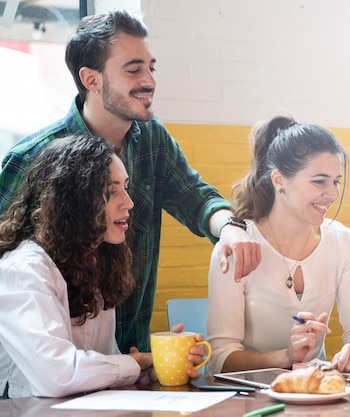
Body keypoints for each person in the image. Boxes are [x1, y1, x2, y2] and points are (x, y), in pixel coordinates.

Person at [0, 10, 260, 353]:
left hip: (131, 361)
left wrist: (229, 226)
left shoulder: (152, 139)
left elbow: (195, 197)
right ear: (91, 80)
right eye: (133, 69)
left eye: (151, 67)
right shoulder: (32, 157)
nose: (149, 80)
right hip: (48, 374)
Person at [0, 135, 205, 399]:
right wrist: (135, 364)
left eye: (126, 187)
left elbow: (102, 367)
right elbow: (59, 376)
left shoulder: (96, 261)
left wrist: (153, 369)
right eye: (111, 192)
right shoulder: (24, 269)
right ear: (72, 202)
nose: (129, 203)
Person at [207, 116, 350, 375]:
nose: (332, 194)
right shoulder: (238, 247)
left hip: (314, 399)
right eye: (319, 181)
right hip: (247, 401)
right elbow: (220, 359)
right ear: (279, 180)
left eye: (335, 181)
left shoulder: (345, 243)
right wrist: (284, 357)